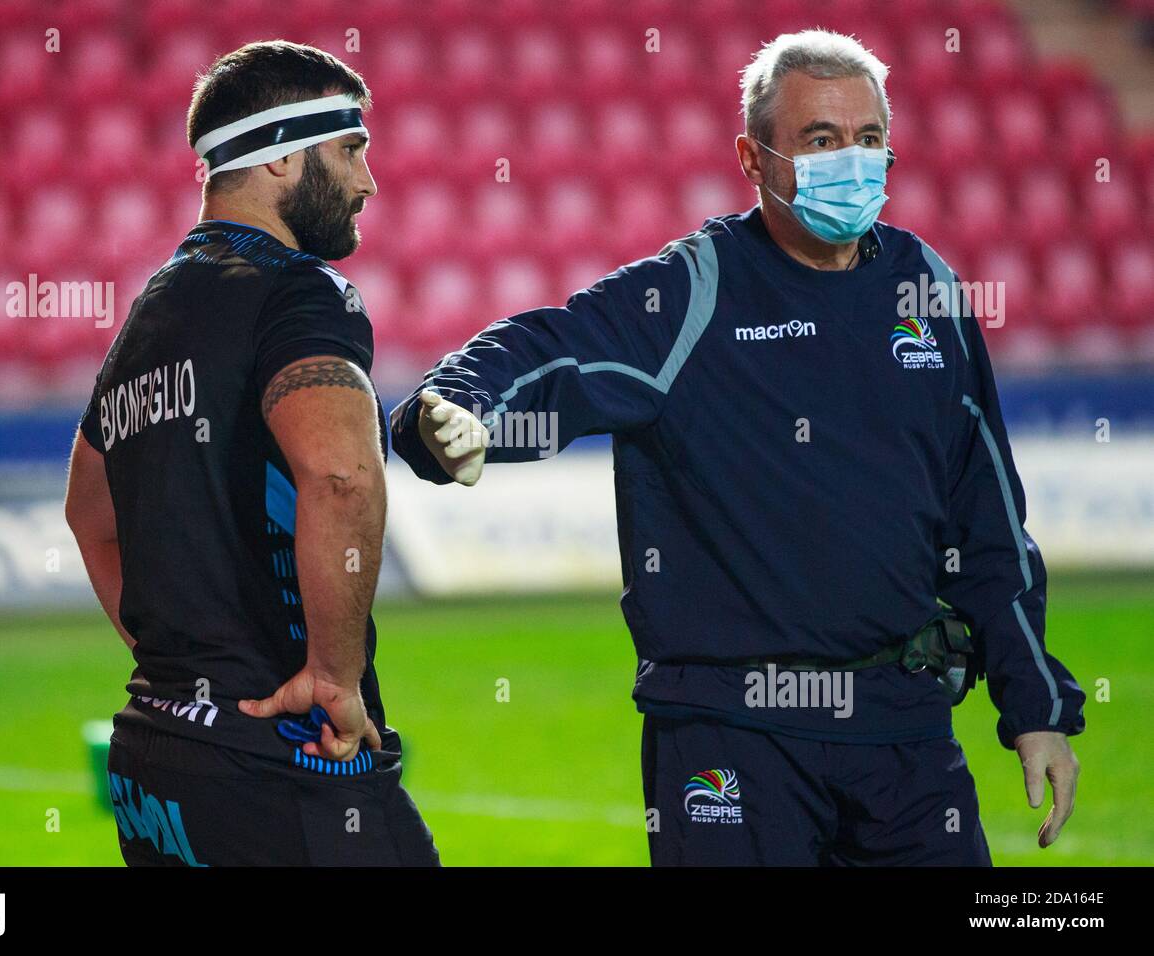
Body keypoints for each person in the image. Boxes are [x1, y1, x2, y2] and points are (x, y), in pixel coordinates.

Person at [389, 29, 1083, 866]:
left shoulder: (926, 286)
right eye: (820, 141)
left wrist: (1035, 705)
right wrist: (453, 412)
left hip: (905, 731)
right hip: (731, 739)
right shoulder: (694, 290)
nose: (851, 162)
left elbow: (990, 515)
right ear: (752, 160)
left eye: (868, 140)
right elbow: (547, 347)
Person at [64, 40, 438, 866]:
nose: (368, 181)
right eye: (350, 150)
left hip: (158, 753)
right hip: (283, 758)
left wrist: (178, 662)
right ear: (277, 160)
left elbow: (88, 516)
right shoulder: (301, 292)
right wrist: (334, 679)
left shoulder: (147, 319)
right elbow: (339, 475)